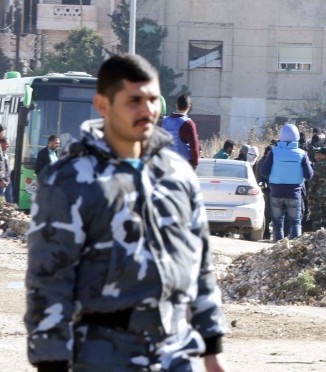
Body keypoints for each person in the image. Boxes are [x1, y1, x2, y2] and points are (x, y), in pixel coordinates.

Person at [25, 54, 227, 371]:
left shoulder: (178, 173)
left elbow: (201, 263)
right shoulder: (69, 180)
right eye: (134, 101)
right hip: (105, 354)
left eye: (152, 100)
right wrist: (51, 361)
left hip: (175, 352)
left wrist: (212, 347)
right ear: (103, 105)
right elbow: (50, 279)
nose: (147, 110)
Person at [260, 123, 314, 241]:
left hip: (276, 192)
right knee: (295, 223)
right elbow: (309, 175)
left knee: (277, 224)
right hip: (294, 193)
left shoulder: (273, 152)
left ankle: (277, 250)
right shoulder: (302, 154)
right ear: (297, 137)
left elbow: (264, 171)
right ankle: (293, 250)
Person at [159, 94, 200, 168]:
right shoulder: (188, 123)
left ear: (176, 105)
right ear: (189, 107)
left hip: (166, 164)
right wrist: (195, 163)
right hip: (183, 165)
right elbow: (194, 147)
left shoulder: (164, 121)